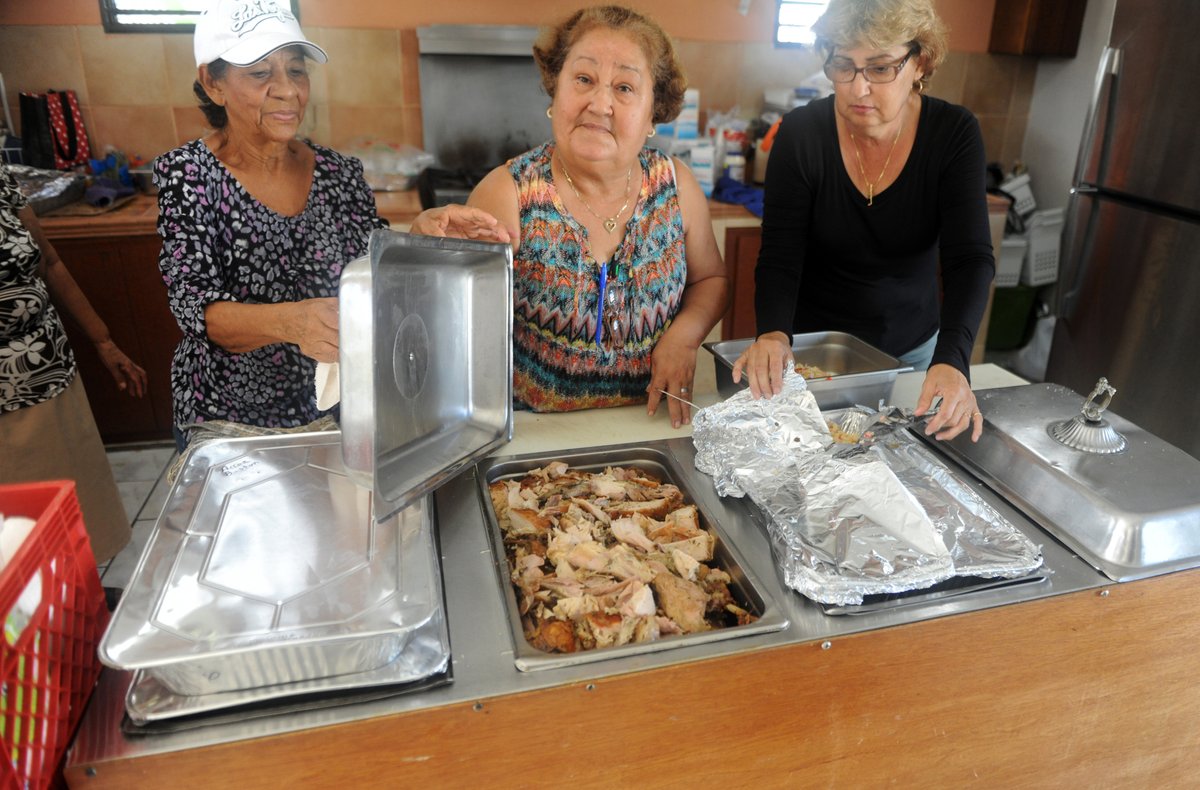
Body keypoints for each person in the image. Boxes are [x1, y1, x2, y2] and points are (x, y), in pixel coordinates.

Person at [157, 0, 503, 451]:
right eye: (260, 73)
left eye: (296, 71)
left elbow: (370, 268)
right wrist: (291, 322)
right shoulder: (188, 176)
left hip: (338, 412)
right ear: (213, 82)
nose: (288, 91)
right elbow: (197, 312)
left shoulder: (338, 173)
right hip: (230, 421)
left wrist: (418, 236)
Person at [412, 5, 728, 429]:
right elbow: (448, 328)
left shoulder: (677, 187)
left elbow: (711, 280)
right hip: (535, 440)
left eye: (624, 88)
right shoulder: (509, 192)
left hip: (648, 426)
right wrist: (426, 254)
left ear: (654, 112)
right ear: (554, 89)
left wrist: (685, 336)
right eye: (583, 80)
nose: (600, 104)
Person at [732, 0, 993, 442]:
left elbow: (969, 259)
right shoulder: (801, 134)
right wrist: (774, 334)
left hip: (914, 355)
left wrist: (952, 360)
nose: (858, 89)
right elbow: (780, 253)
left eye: (879, 68)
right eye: (843, 66)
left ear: (920, 62)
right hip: (815, 359)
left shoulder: (953, 134)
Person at [0, 163, 147, 564]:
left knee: (76, 509)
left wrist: (104, 341)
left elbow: (49, 260)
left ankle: (80, 599)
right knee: (17, 540)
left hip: (47, 369)